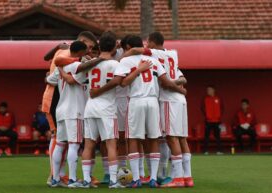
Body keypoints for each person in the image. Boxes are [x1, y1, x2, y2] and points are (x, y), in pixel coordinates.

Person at [116, 35, 186, 188]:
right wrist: (180, 89)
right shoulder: (154, 61)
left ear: (128, 47)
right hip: (153, 102)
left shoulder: (126, 61)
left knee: (133, 139)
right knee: (153, 139)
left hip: (136, 101)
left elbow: (123, 83)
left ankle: (136, 179)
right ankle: (153, 178)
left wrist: (137, 71)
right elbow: (166, 81)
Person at [80, 33, 124, 188]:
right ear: (113, 48)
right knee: (111, 145)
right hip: (107, 109)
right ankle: (113, 180)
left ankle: (86, 180)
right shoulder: (115, 64)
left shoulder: (92, 63)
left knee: (89, 145)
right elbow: (119, 81)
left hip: (90, 107)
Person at [47, 41, 88, 188]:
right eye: (85, 51)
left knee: (60, 144)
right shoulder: (79, 67)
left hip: (61, 110)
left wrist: (59, 70)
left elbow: (49, 79)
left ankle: (55, 178)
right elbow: (73, 80)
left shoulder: (60, 68)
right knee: (74, 145)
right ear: (80, 52)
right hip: (75, 110)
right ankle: (72, 179)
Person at [201, 85, 224, 155]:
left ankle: (219, 150)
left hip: (217, 121)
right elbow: (202, 108)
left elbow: (222, 108)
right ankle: (205, 151)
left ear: (213, 90)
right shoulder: (205, 99)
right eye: (207, 90)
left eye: (209, 90)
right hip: (208, 121)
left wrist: (219, 116)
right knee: (206, 136)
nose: (208, 91)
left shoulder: (218, 98)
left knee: (218, 136)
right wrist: (207, 116)